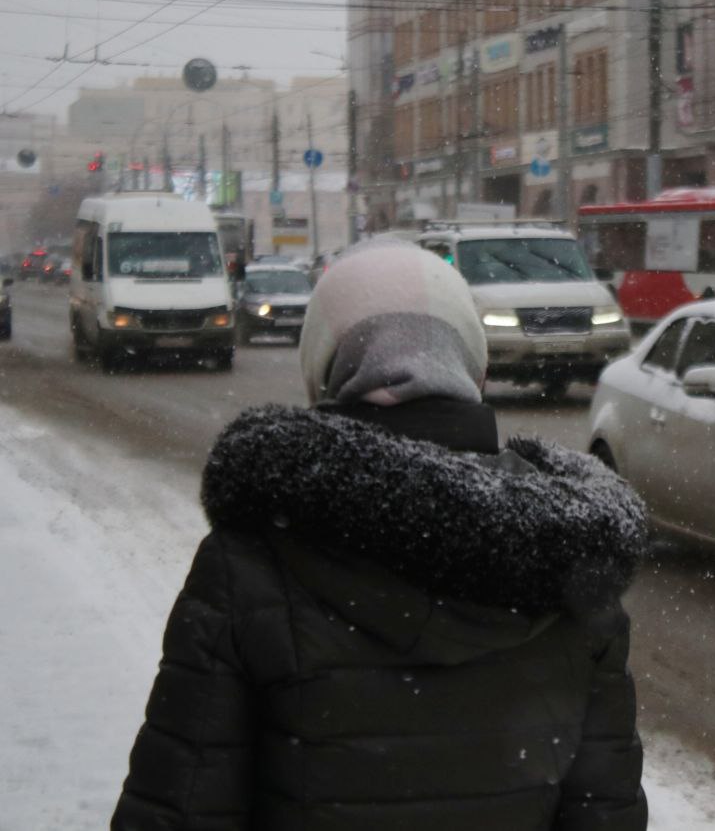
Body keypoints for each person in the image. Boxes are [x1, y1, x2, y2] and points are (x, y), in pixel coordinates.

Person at [112, 241, 650, 830]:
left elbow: (182, 808)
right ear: (476, 368)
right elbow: (603, 815)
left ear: (322, 374)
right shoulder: (571, 555)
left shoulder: (251, 560)